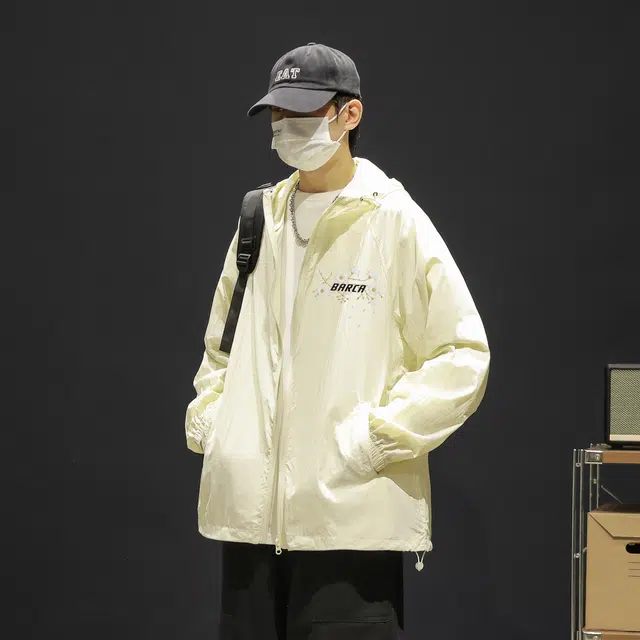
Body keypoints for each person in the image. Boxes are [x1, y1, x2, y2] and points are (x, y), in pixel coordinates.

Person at [185, 42, 491, 640]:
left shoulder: (393, 220)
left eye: (302, 112)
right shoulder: (258, 218)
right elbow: (221, 346)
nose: (286, 126)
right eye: (277, 113)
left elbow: (462, 354)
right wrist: (219, 429)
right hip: (248, 522)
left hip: (349, 522)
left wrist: (373, 441)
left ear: (349, 114)